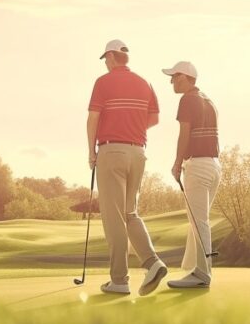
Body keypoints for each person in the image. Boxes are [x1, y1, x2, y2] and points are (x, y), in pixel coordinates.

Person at [87, 39, 168, 296]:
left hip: (112, 151)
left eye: (106, 58)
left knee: (114, 218)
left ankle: (120, 280)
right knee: (130, 213)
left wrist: (91, 151)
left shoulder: (103, 82)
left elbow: (93, 118)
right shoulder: (145, 83)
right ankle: (153, 263)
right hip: (138, 152)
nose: (106, 63)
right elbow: (154, 118)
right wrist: (131, 127)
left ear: (111, 57)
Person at [161, 61, 222, 289]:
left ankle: (202, 276)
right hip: (214, 165)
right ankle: (196, 270)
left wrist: (177, 163)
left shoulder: (187, 99)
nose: (171, 82)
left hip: (197, 166)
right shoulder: (208, 100)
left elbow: (184, 134)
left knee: (199, 223)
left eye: (174, 77)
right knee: (199, 222)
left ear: (186, 78)